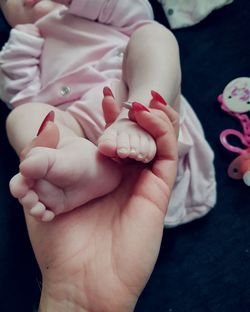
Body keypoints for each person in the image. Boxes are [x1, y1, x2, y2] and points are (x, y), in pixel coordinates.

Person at [0, 0, 216, 226]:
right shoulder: (16, 49)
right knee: (22, 115)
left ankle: (138, 118)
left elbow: (135, 10)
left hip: (136, 96)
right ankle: (77, 162)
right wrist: (22, 43)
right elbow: (20, 97)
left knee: (154, 35)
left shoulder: (98, 10)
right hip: (82, 133)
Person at [25, 96, 179, 312]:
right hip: (62, 107)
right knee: (26, 114)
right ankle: (79, 157)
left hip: (123, 95)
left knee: (154, 82)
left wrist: (133, 110)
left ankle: (130, 117)